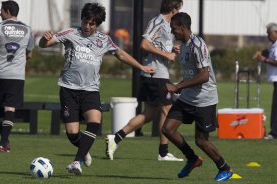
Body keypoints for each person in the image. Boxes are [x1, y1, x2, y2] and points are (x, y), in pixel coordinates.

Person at [39, 3, 154, 175]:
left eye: (92, 23)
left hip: (90, 90)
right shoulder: (71, 33)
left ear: (97, 24)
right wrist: (43, 38)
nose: (87, 26)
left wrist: (141, 67)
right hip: (68, 89)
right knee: (72, 133)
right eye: (85, 22)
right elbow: (44, 44)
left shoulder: (104, 40)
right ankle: (84, 151)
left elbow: (121, 54)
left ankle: (76, 162)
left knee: (95, 122)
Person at [106, 0, 183, 161]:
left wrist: (171, 49)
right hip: (156, 75)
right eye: (179, 8)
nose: (180, 11)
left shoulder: (167, 25)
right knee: (167, 110)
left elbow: (156, 46)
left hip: (157, 74)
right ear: (174, 9)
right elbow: (144, 44)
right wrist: (166, 55)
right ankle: (163, 152)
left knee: (148, 114)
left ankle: (116, 138)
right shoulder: (158, 21)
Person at [162, 12, 233, 181]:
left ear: (183, 27)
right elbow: (191, 75)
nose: (173, 32)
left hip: (204, 100)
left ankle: (225, 168)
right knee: (167, 129)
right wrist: (179, 87)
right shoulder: (184, 46)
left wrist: (177, 86)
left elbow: (203, 76)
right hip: (187, 97)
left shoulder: (198, 45)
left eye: (174, 29)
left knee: (201, 141)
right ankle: (192, 159)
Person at [0, 1, 34, 152]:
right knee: (10, 108)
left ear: (6, 11)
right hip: (17, 75)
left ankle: (4, 142)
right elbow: (29, 54)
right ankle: (4, 142)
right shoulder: (27, 29)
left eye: (1, 11)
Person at [253, 23, 277, 140]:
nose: (268, 36)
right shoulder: (273, 45)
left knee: (276, 107)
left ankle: (274, 133)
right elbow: (268, 51)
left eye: (269, 33)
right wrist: (261, 53)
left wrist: (264, 59)